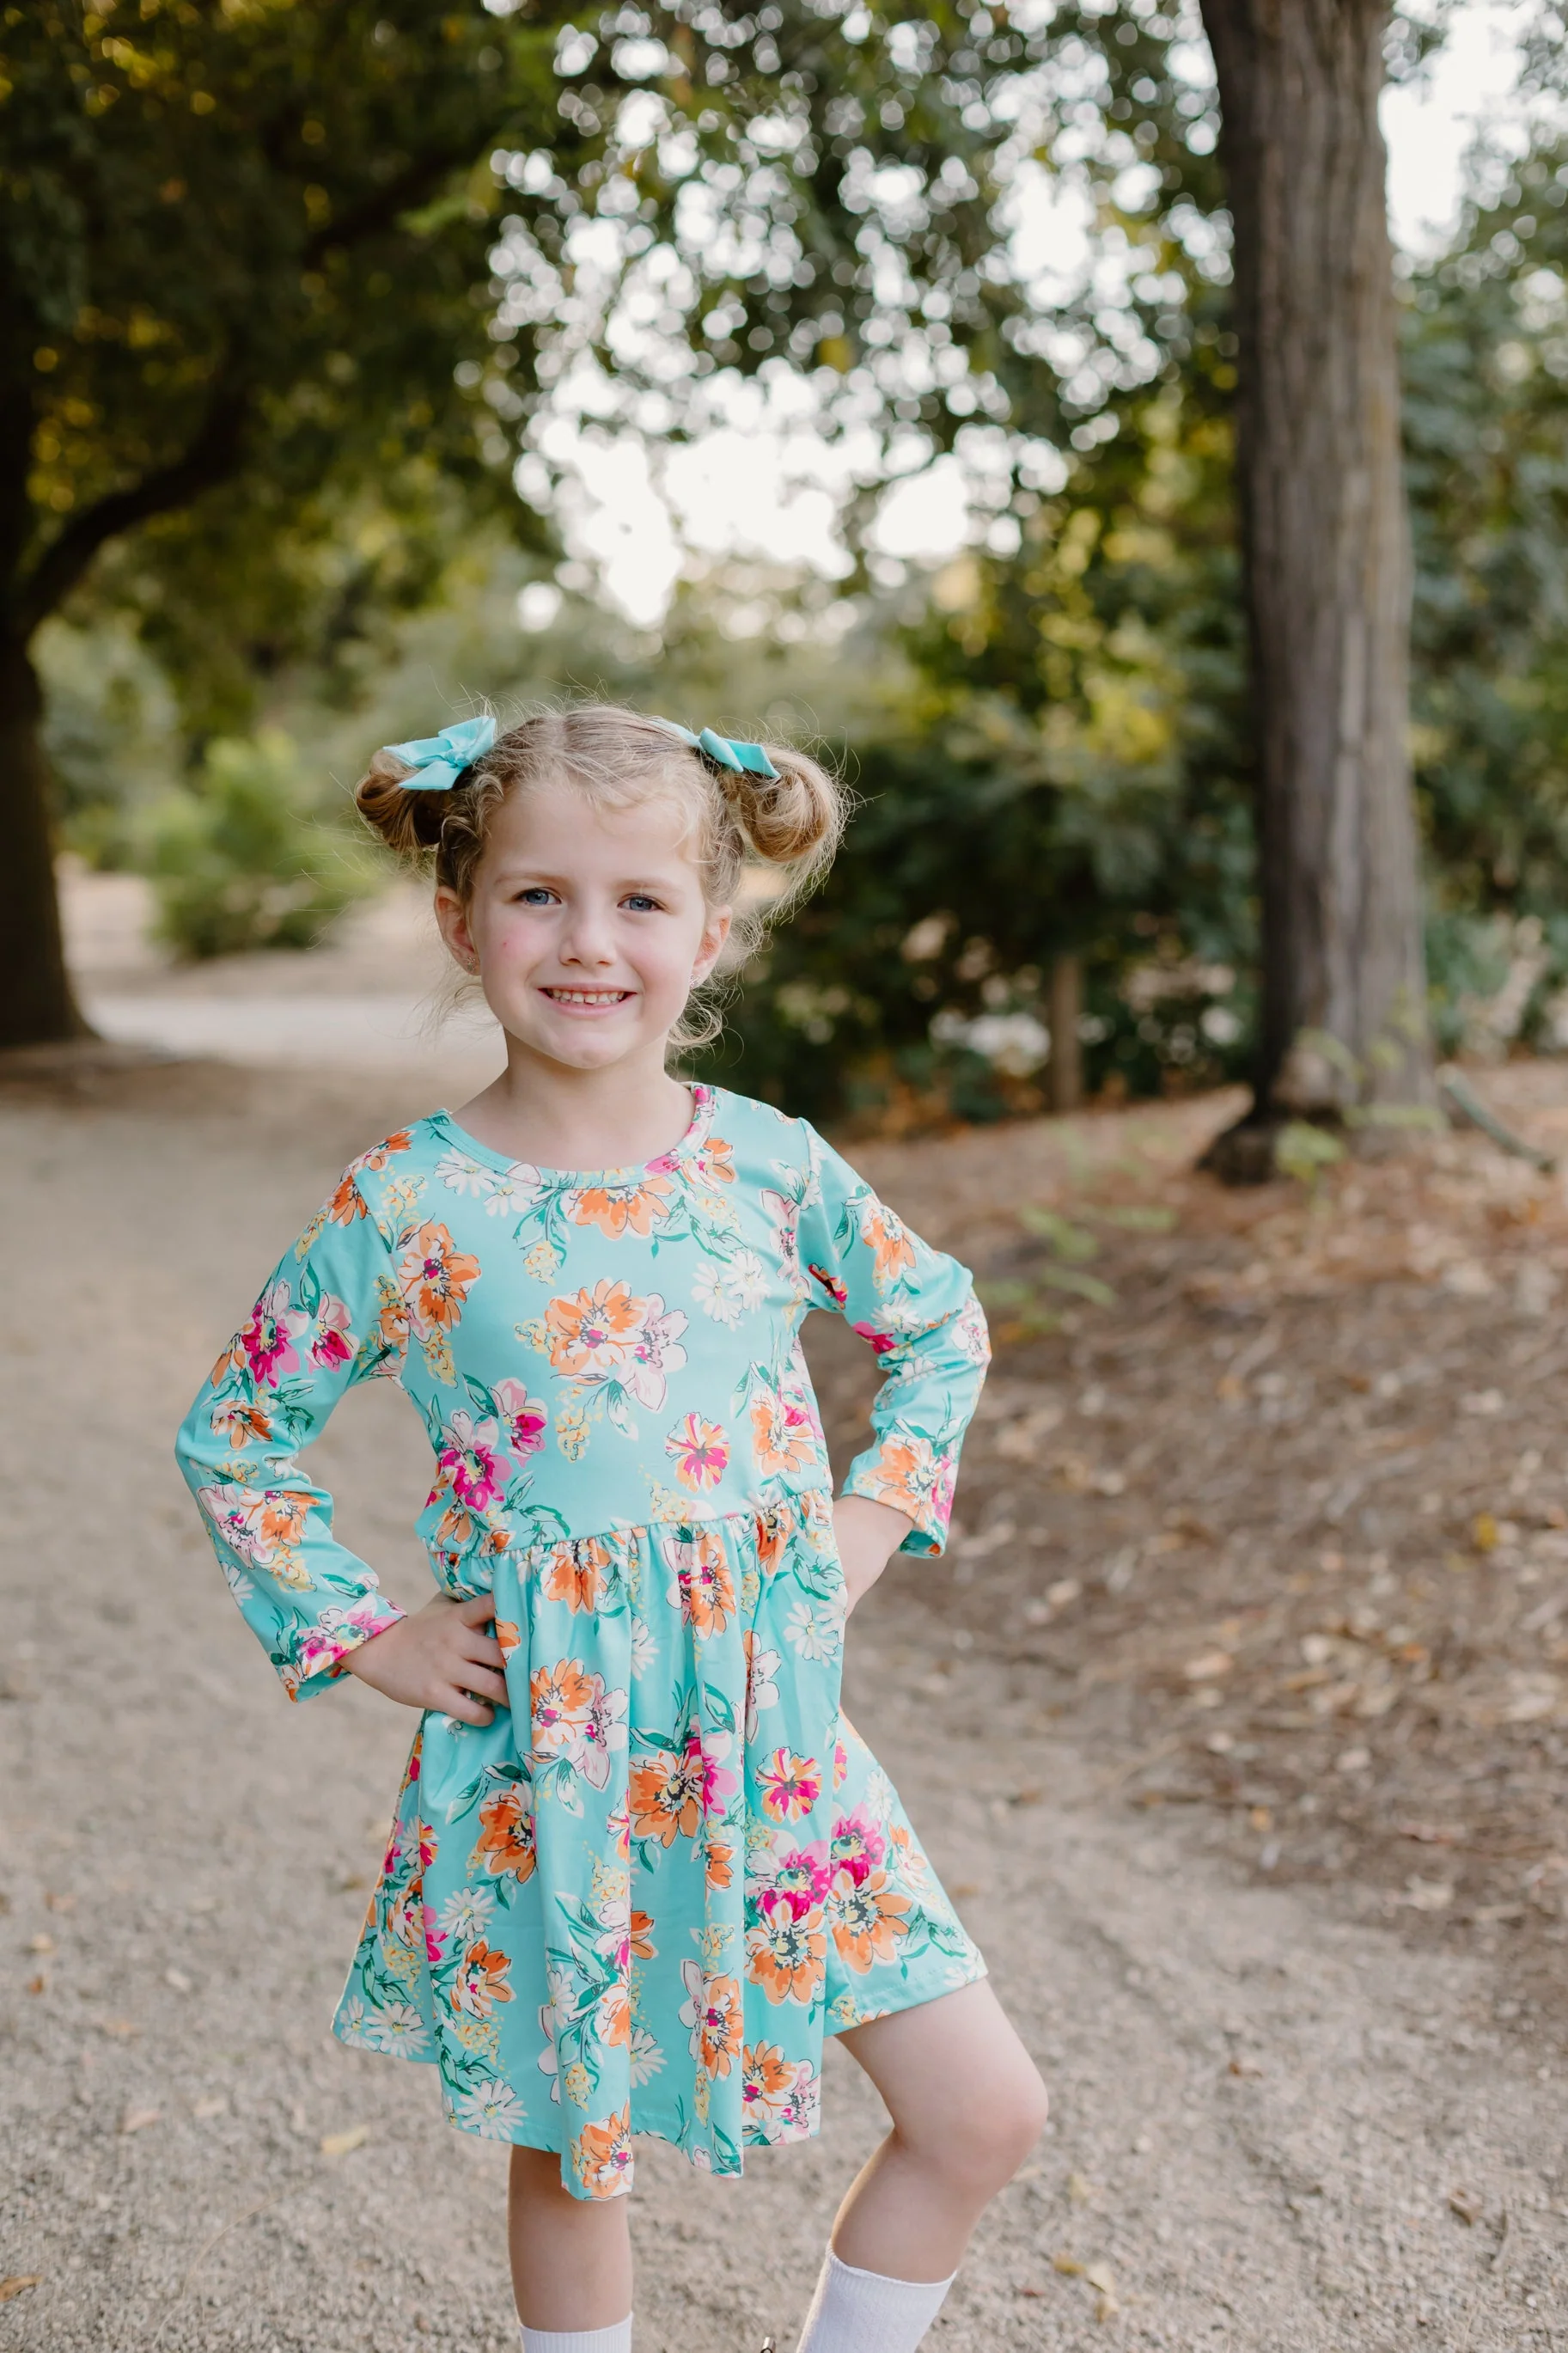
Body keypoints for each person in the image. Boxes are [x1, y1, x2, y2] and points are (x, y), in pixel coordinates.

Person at [175, 705, 1047, 2353]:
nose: (590, 942)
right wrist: (364, 1627)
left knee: (983, 2109)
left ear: (710, 930)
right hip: (553, 1759)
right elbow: (235, 1430)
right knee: (583, 2150)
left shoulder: (770, 1170)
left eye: (640, 900)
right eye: (537, 897)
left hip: (776, 1742)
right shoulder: (409, 1203)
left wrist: (869, 1514)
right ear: (461, 920)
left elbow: (938, 1324)